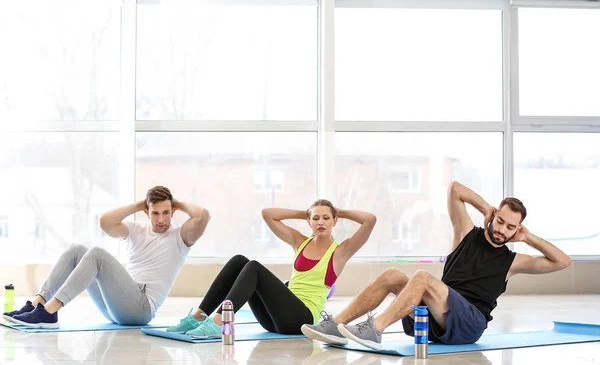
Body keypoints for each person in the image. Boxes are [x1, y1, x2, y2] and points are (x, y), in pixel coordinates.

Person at [302, 181, 572, 349]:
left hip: (469, 324)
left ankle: (376, 329)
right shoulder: (467, 233)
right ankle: (335, 326)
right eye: (500, 221)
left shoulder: (512, 261)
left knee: (423, 277)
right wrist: (485, 206)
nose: (502, 229)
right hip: (435, 317)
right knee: (392, 275)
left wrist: (528, 237)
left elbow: (563, 261)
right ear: (493, 216)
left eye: (510, 227)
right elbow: (455, 189)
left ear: (516, 230)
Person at [3, 186, 210, 329]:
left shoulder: (179, 237)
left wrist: (176, 202)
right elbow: (104, 222)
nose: (162, 219)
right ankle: (38, 304)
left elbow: (203, 216)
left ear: (173, 212)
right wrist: (140, 204)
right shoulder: (137, 229)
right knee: (76, 249)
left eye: (166, 212)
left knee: (97, 255)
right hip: (118, 306)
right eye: (155, 213)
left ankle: (49, 312)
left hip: (141, 308)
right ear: (147, 212)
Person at [166, 199, 376, 337]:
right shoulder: (299, 241)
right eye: (316, 218)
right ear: (309, 221)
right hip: (275, 320)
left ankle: (220, 321)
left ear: (334, 221)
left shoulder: (340, 252)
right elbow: (268, 214)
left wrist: (338, 210)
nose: (321, 222)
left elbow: (370, 220)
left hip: (302, 320)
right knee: (240, 261)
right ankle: (198, 318)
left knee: (254, 268)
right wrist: (304, 212)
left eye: (326, 218)